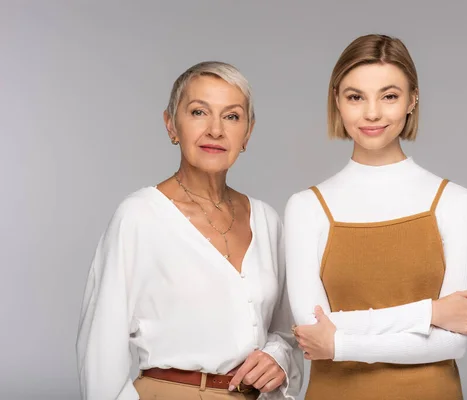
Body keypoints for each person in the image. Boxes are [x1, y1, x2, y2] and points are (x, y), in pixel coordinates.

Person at [76, 61, 303, 400]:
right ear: (171, 124)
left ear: (248, 132)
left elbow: (285, 333)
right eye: (199, 112)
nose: (215, 130)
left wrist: (278, 359)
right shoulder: (139, 217)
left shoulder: (267, 221)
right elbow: (99, 352)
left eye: (232, 116)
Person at [284, 34, 467, 400]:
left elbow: (452, 344)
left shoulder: (454, 202)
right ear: (337, 101)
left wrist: (340, 345)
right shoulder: (306, 207)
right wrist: (431, 312)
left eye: (389, 96)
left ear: (413, 99)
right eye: (355, 96)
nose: (372, 112)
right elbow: (310, 332)